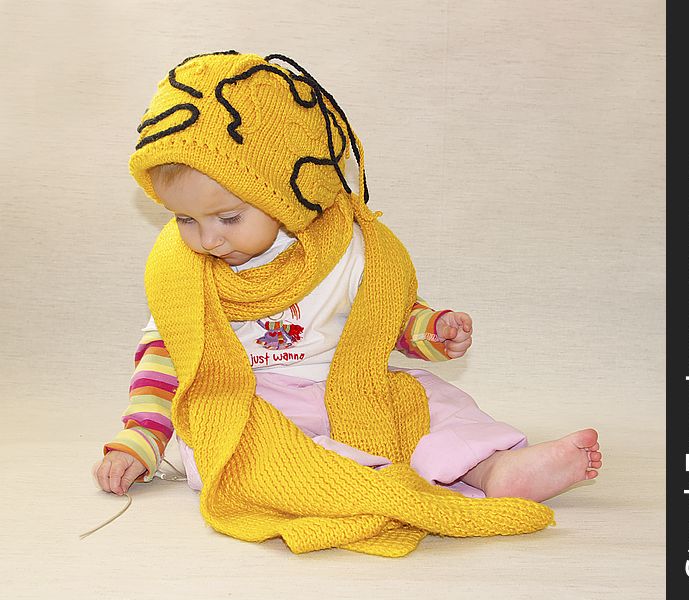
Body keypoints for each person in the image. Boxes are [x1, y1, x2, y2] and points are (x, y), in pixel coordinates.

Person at [92, 51, 602, 556]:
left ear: (284, 190)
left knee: (431, 403)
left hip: (351, 385)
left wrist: (430, 329)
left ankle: (494, 468)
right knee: (228, 442)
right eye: (184, 220)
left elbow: (389, 314)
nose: (207, 239)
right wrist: (142, 437)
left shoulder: (346, 248)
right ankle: (362, 483)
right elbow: (165, 360)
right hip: (253, 395)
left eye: (227, 218)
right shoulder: (183, 273)